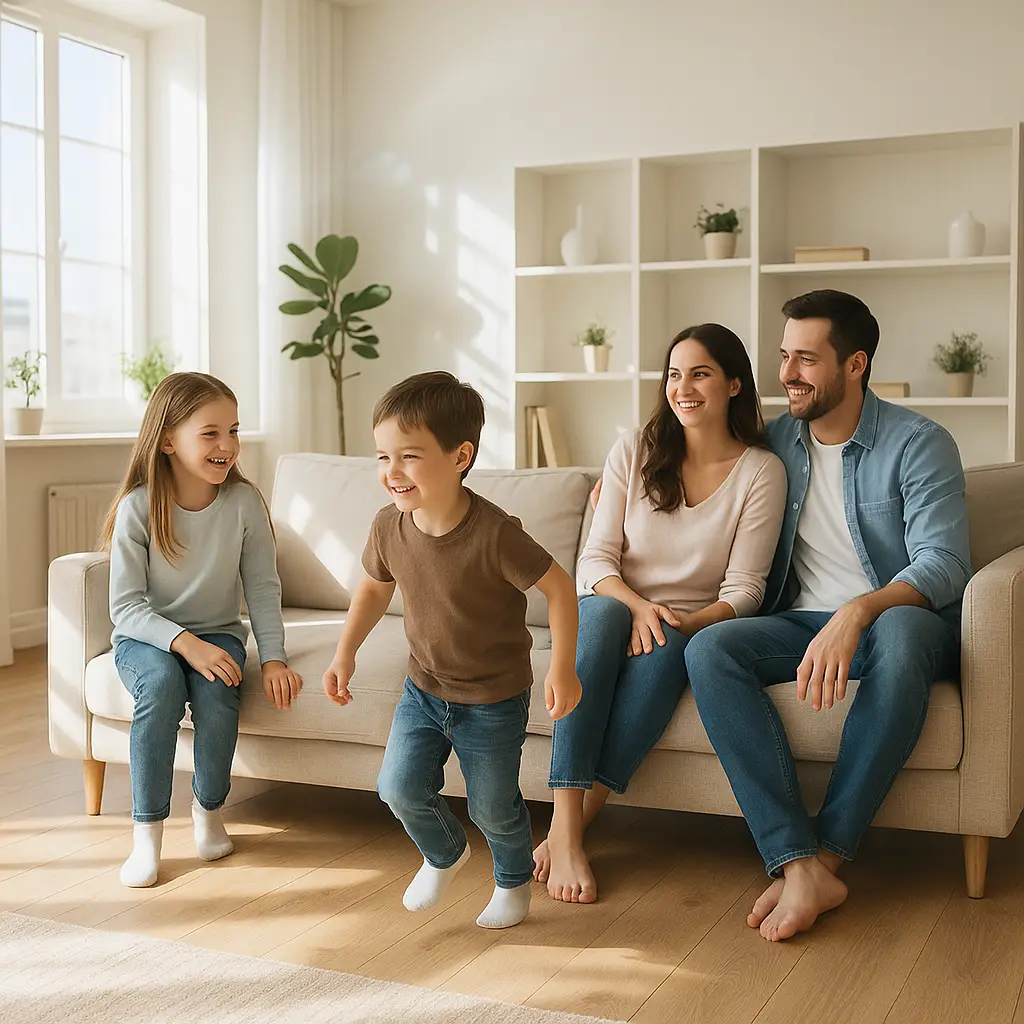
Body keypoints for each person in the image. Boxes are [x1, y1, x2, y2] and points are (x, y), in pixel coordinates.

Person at [684, 289, 970, 942]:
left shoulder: (919, 444)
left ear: (855, 364)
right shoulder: (774, 440)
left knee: (897, 633)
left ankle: (829, 857)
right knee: (710, 650)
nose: (786, 374)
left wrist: (859, 612)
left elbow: (943, 564)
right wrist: (628, 482)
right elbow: (694, 463)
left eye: (806, 359)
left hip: (902, 622)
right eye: (784, 356)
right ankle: (794, 859)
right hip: (798, 621)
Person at [536, 324, 788, 905]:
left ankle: (570, 827)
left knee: (668, 650)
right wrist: (637, 606)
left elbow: (746, 589)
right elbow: (594, 561)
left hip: (684, 623)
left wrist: (674, 621)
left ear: (733, 385)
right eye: (674, 375)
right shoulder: (635, 449)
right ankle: (566, 828)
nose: (683, 388)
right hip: (616, 600)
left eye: (700, 373)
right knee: (594, 622)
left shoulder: (760, 472)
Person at [322, 371, 582, 930]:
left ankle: (512, 883)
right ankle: (444, 852)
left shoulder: (495, 534)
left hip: (493, 698)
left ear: (460, 456)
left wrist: (562, 665)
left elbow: (559, 587)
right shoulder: (388, 527)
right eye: (381, 457)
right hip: (424, 688)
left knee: (492, 807)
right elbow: (372, 587)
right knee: (396, 786)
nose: (391, 473)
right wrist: (346, 653)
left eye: (408, 457)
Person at [103, 372, 303, 889]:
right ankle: (146, 838)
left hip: (217, 633)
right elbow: (125, 608)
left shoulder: (244, 504)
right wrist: (184, 645)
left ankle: (208, 812)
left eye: (233, 431)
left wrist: (274, 656)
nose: (227, 445)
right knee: (162, 686)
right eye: (210, 433)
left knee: (219, 692)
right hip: (147, 637)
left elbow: (262, 586)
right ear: (168, 439)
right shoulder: (138, 508)